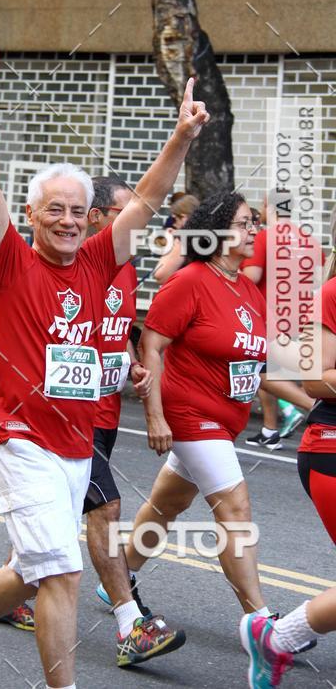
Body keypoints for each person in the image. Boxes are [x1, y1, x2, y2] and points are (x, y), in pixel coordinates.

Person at [0, 44, 208, 689]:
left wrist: (181, 135)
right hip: (18, 436)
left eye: (78, 210)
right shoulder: (9, 258)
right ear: (33, 216)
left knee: (33, 569)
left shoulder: (102, 259)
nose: (69, 220)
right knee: (64, 571)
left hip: (75, 439)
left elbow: (149, 199)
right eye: (55, 210)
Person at [124, 191, 273, 619]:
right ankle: (260, 621)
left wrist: (314, 398)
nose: (253, 231)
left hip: (226, 420)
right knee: (235, 507)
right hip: (190, 415)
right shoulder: (190, 280)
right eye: (244, 223)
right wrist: (154, 416)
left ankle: (119, 578)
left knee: (167, 505)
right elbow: (150, 345)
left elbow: (261, 366)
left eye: (253, 222)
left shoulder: (247, 289)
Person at [85, 174, 185, 659]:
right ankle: (131, 623)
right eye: (127, 215)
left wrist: (133, 365)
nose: (136, 225)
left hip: (105, 412)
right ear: (97, 218)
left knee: (70, 509)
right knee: (105, 507)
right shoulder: (71, 266)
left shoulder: (125, 269)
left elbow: (119, 332)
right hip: (67, 416)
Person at [239, 210, 336, 685]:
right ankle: (277, 639)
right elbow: (316, 379)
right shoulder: (333, 294)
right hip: (331, 449)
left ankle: (278, 638)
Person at [243, 193, 319, 449]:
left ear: (268, 208)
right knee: (276, 370)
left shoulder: (265, 237)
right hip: (305, 315)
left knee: (261, 370)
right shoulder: (309, 240)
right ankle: (270, 429)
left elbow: (252, 276)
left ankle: (308, 410)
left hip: (271, 315)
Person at [153, 192, 200, 285]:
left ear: (184, 218)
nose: (173, 224)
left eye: (174, 219)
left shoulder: (183, 240)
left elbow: (160, 276)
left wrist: (170, 243)